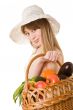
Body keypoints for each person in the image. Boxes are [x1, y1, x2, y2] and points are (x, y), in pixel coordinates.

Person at [10, 5, 64, 79]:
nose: (32, 37)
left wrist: (41, 61)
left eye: (34, 30)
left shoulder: (54, 53)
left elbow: (32, 81)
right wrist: (41, 60)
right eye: (27, 33)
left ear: (44, 28)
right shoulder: (36, 51)